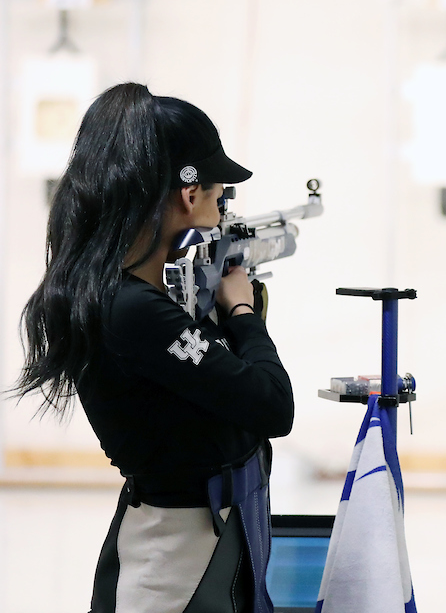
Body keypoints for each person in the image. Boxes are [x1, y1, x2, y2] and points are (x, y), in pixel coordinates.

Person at [13, 82, 293, 613]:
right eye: (219, 195)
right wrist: (241, 313)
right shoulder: (134, 309)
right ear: (189, 196)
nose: (220, 209)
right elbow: (271, 404)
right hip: (180, 561)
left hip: (200, 541)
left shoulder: (123, 295)